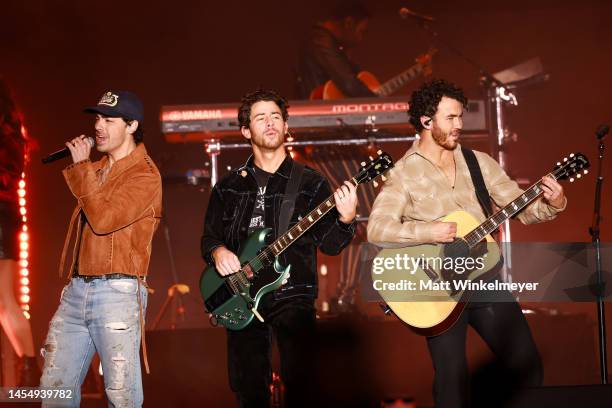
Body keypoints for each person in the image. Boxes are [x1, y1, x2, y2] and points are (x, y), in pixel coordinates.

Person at [367, 79, 567, 407]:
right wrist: (428, 232)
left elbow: (525, 210)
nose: (459, 125)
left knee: (526, 366)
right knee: (451, 384)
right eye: (451, 118)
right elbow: (378, 228)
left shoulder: (479, 162)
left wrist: (553, 202)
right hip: (437, 288)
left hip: (485, 279)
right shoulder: (402, 174)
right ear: (426, 121)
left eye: (461, 117)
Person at [200, 89, 358, 407]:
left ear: (286, 125)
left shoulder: (311, 183)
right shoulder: (228, 187)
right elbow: (209, 239)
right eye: (261, 118)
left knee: (304, 385)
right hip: (241, 296)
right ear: (246, 131)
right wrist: (218, 252)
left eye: (276, 117)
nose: (270, 123)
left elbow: (331, 245)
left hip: (294, 293)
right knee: (248, 390)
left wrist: (346, 218)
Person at [39, 90, 162, 407]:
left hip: (117, 293)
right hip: (77, 291)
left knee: (121, 396)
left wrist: (81, 168)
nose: (98, 126)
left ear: (132, 125)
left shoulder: (145, 176)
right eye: (96, 118)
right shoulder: (97, 170)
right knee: (54, 389)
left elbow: (104, 220)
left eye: (108, 119)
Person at [0, 76, 40, 386]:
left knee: (5, 301)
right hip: (6, 212)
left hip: (2, 212)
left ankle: (30, 372)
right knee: (4, 303)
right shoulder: (12, 132)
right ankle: (29, 371)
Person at [295, 0, 375, 99]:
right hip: (319, 110)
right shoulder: (321, 40)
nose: (360, 38)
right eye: (361, 31)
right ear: (348, 23)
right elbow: (348, 83)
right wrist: (376, 100)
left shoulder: (326, 41)